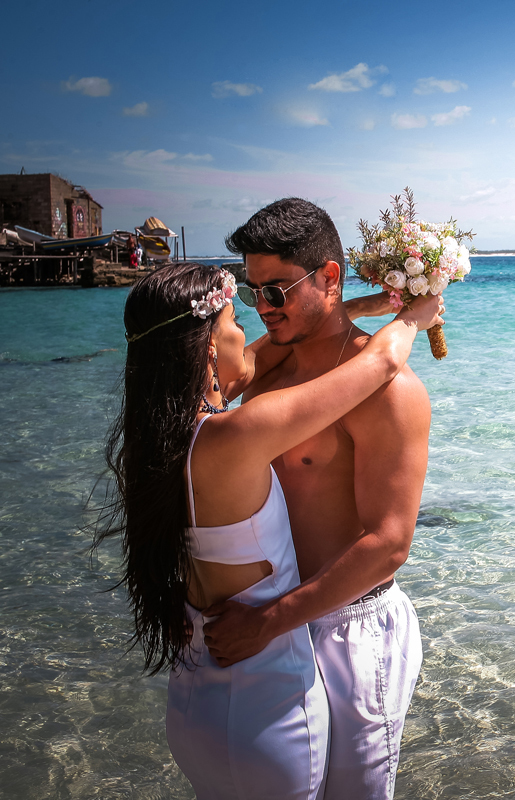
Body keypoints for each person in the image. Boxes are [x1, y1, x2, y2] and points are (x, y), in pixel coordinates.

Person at [95, 261, 443, 799]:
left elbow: (256, 362)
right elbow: (379, 364)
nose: (249, 336)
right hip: (267, 712)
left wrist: (349, 309)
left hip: (196, 704)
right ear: (208, 349)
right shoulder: (238, 435)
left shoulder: (157, 444)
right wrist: (414, 317)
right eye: (236, 324)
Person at [202, 198, 433, 800]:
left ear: (328, 277)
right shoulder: (264, 378)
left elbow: (389, 545)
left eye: (276, 291)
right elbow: (221, 375)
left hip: (346, 630)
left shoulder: (390, 391)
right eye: (253, 293)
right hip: (270, 629)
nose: (262, 309)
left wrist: (267, 623)